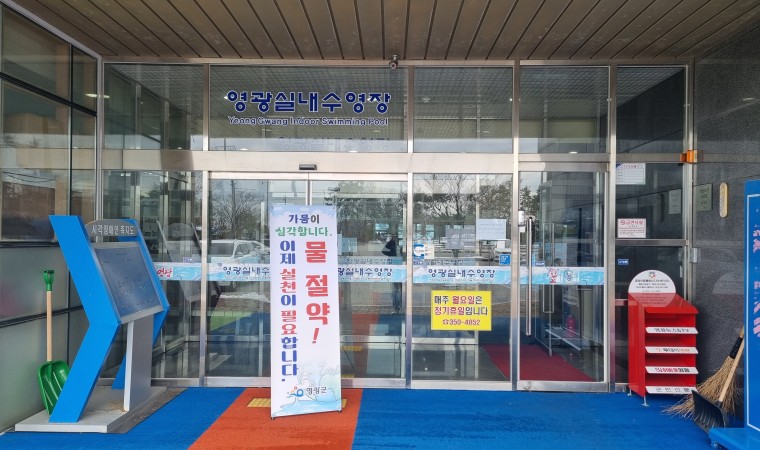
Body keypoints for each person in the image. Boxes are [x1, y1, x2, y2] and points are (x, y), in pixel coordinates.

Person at [382, 235, 403, 314]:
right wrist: (391, 242)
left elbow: (383, 250)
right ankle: (398, 308)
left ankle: (399, 307)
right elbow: (384, 251)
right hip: (396, 270)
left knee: (398, 289)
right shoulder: (393, 246)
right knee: (397, 289)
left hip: (400, 270)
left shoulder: (401, 246)